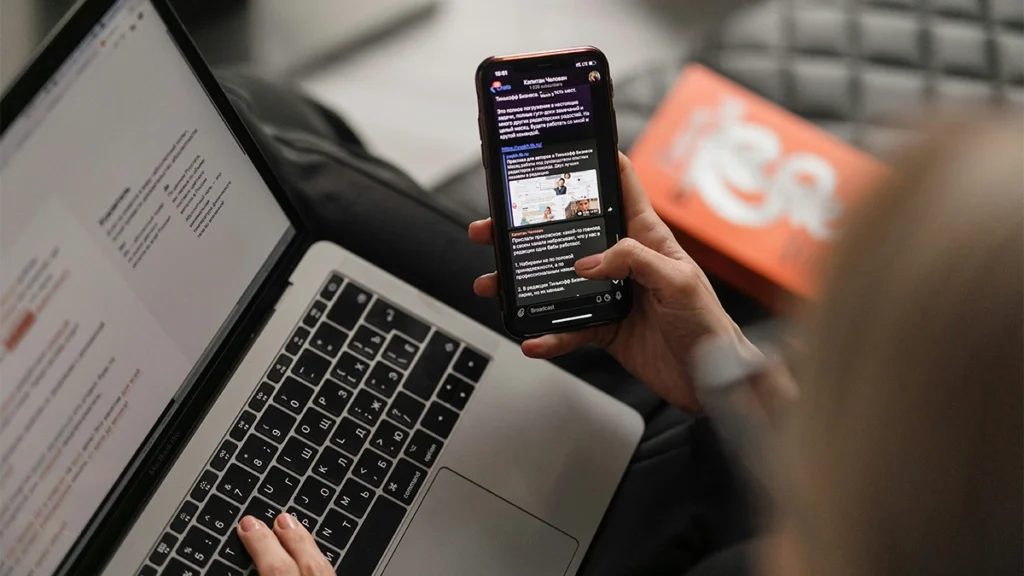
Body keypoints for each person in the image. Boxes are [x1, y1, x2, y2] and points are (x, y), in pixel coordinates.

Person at [223, 73, 1019, 576]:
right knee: (269, 117)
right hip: (680, 448)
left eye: (840, 374)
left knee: (255, 121)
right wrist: (746, 387)